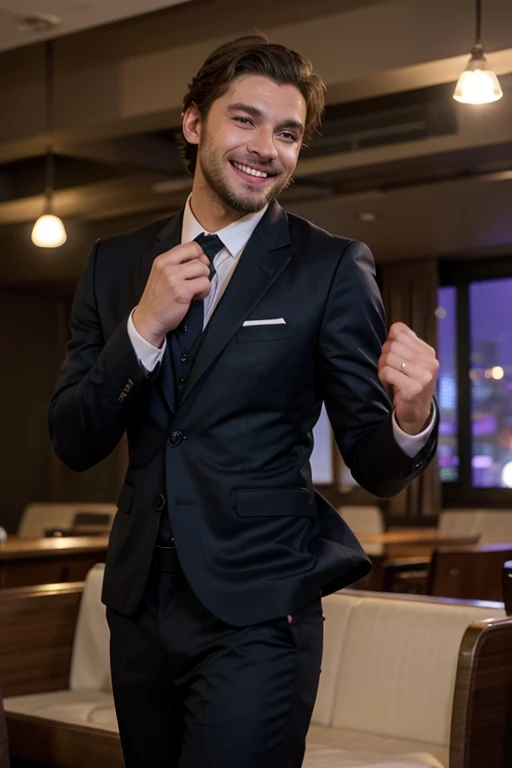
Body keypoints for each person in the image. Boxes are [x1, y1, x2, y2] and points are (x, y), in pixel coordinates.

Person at [49, 34, 439, 768]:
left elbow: (376, 463)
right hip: (137, 609)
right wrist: (141, 328)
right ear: (194, 122)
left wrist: (413, 414)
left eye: (288, 133)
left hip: (260, 611)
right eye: (245, 120)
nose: (267, 148)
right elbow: (72, 438)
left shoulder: (330, 268)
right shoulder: (114, 265)